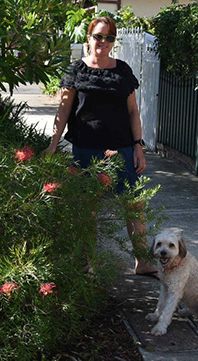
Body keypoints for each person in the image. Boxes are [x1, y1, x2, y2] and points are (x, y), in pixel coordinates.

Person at [45, 16, 156, 277]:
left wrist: (138, 146)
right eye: (98, 36)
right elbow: (64, 110)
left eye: (109, 38)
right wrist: (53, 144)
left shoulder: (123, 71)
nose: (103, 42)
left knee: (134, 204)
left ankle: (142, 261)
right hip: (86, 150)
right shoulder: (76, 71)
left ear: (113, 42)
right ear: (89, 38)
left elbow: (133, 112)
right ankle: (88, 264)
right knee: (87, 207)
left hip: (122, 151)